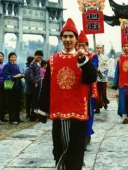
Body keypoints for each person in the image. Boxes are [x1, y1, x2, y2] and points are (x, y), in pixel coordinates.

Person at [37, 18, 97, 170]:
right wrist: (42, 110)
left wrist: (83, 61)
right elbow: (47, 86)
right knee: (60, 148)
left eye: (71, 36)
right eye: (65, 36)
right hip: (60, 111)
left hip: (78, 110)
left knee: (76, 149)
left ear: (76, 39)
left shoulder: (83, 59)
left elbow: (91, 78)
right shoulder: (52, 60)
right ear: (61, 38)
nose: (68, 39)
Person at [76, 30, 99, 148]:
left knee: (88, 113)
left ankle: (86, 135)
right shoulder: (71, 56)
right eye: (79, 45)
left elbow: (93, 68)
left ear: (87, 46)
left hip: (90, 89)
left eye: (83, 45)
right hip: (76, 90)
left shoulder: (93, 56)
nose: (81, 47)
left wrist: (83, 58)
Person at [3, 52, 24, 124]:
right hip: (11, 87)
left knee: (18, 103)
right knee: (11, 103)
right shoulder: (7, 65)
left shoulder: (16, 65)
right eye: (12, 57)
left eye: (14, 57)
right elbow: (5, 76)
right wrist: (15, 76)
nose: (13, 58)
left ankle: (17, 118)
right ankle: (12, 119)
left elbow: (18, 73)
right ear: (9, 58)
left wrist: (21, 75)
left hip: (18, 87)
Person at [28, 50, 43, 121]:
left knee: (37, 100)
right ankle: (33, 116)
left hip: (39, 83)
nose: (39, 59)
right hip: (35, 84)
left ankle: (36, 115)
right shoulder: (32, 64)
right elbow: (31, 75)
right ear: (35, 56)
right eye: (38, 57)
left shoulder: (39, 63)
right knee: (34, 100)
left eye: (40, 58)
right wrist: (35, 82)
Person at [95, 42, 109, 113]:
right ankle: (97, 107)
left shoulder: (105, 57)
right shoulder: (94, 56)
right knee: (97, 93)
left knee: (103, 92)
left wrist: (100, 70)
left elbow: (106, 67)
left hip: (103, 77)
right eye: (98, 48)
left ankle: (105, 102)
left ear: (102, 49)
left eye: (100, 48)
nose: (99, 49)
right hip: (96, 78)